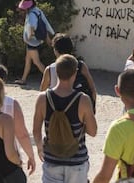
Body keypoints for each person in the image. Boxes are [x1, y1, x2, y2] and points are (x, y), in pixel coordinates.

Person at [33, 54, 97, 183]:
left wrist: (40, 148)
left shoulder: (42, 98)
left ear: (56, 72)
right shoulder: (83, 99)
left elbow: (36, 130)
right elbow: (93, 131)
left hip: (52, 159)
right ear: (75, 73)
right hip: (77, 161)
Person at [39, 33, 97, 111]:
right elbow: (92, 88)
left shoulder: (50, 69)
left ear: (56, 50)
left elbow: (42, 93)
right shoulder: (81, 66)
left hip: (57, 111)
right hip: (77, 109)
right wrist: (92, 108)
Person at [15, 0, 55, 86]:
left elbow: (33, 26)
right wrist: (49, 35)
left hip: (32, 42)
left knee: (37, 62)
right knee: (28, 60)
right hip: (35, 41)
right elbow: (45, 22)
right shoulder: (38, 11)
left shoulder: (31, 14)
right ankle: (23, 79)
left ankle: (51, 80)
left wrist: (29, 36)